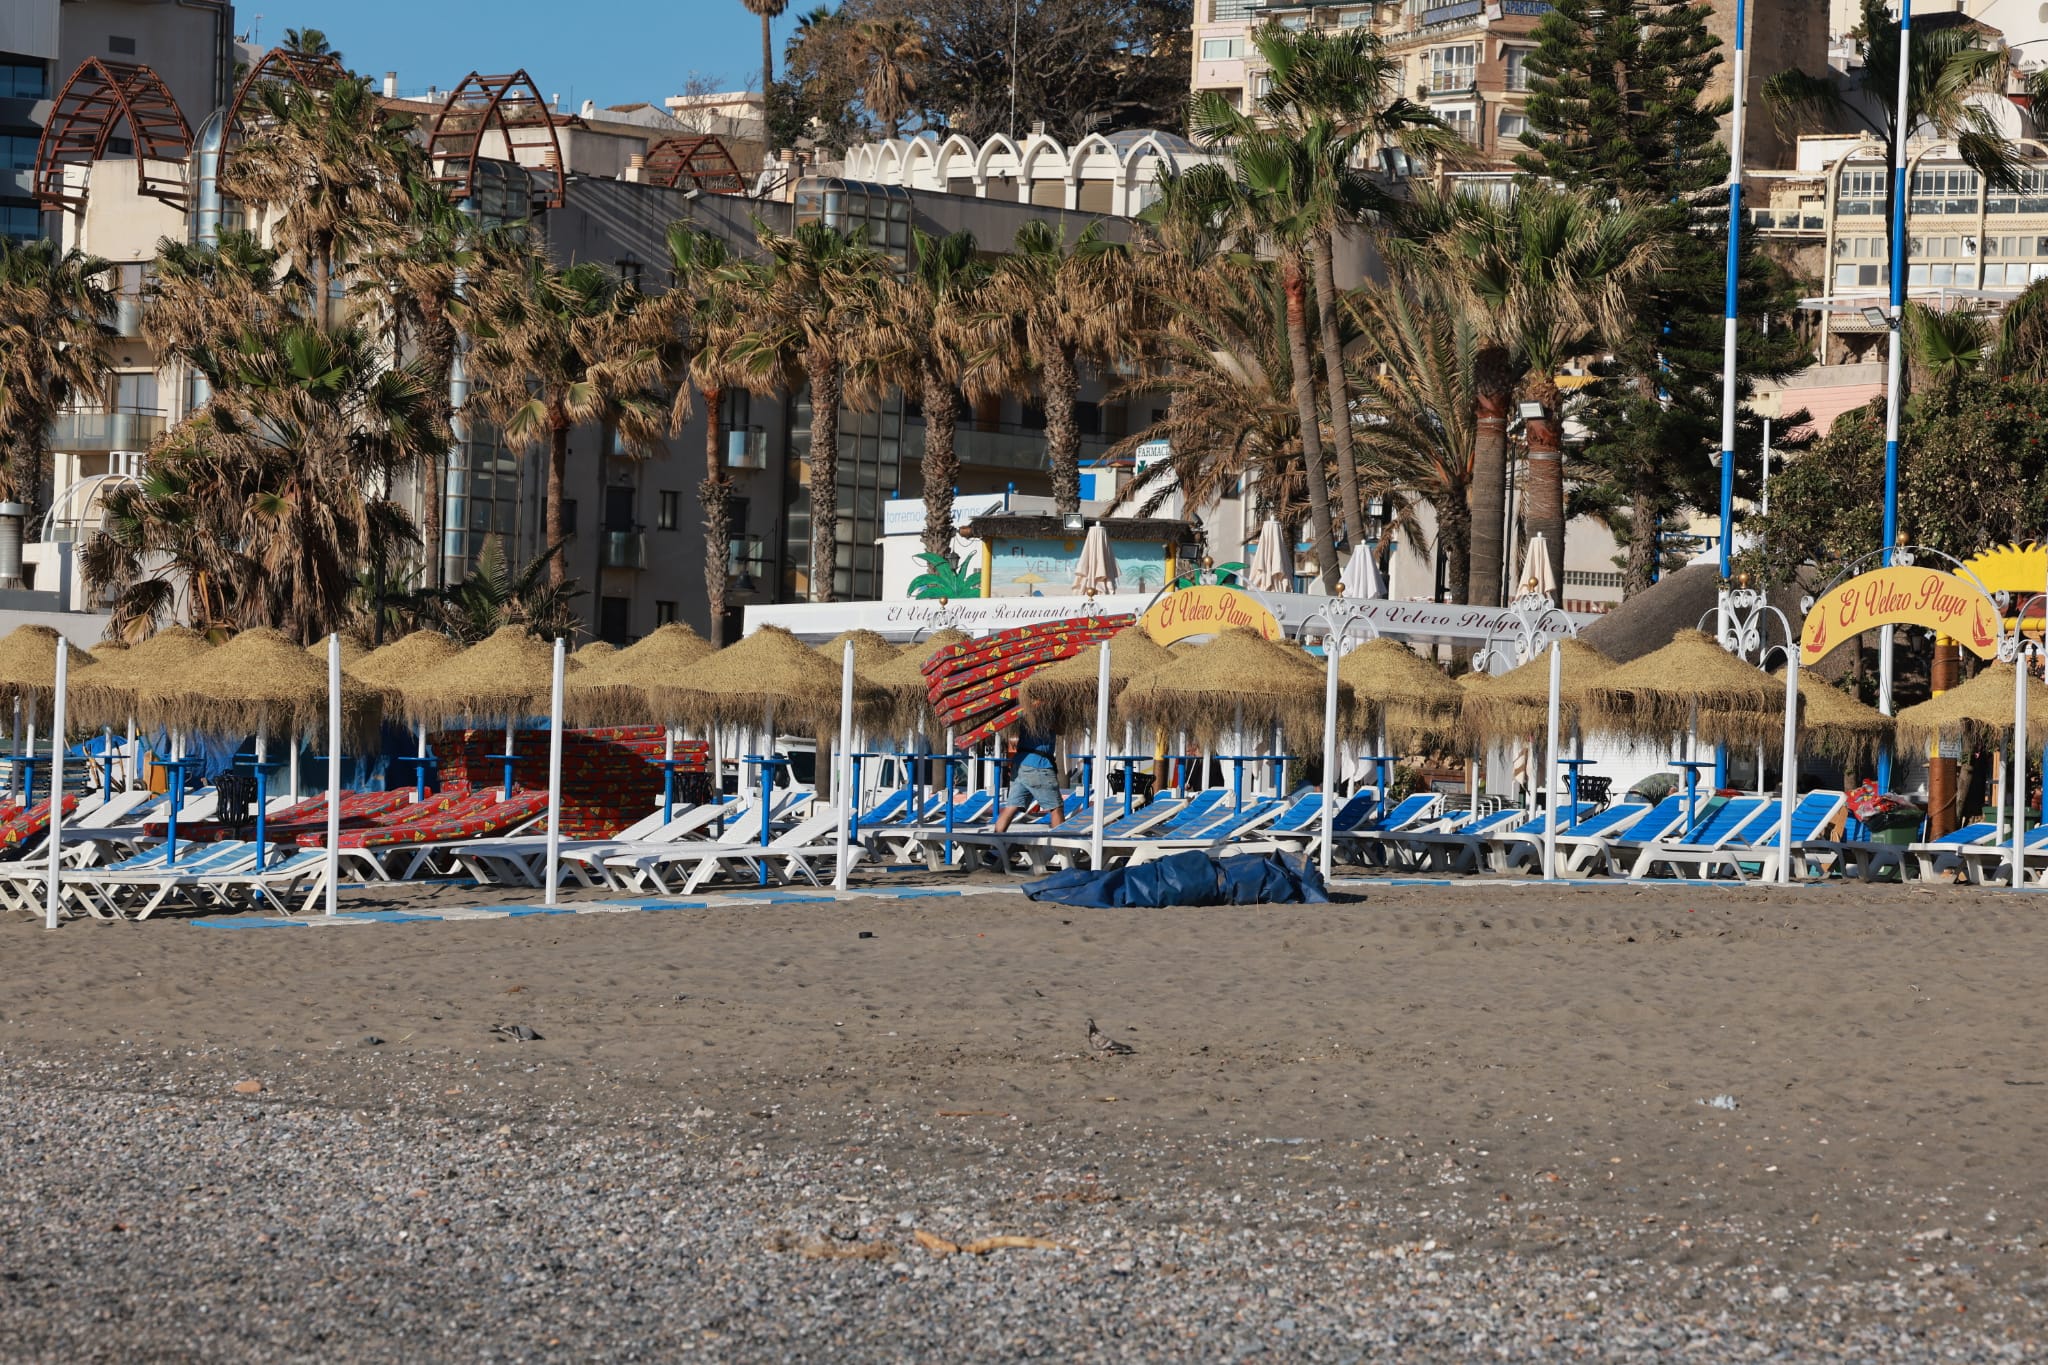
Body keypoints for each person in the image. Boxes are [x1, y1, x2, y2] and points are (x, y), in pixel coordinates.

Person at [993, 724, 1065, 833]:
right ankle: (1060, 842)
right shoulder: (1046, 716)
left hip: (1019, 764)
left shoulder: (1025, 717)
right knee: (1056, 808)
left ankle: (996, 838)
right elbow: (1060, 729)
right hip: (1039, 765)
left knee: (1011, 807)